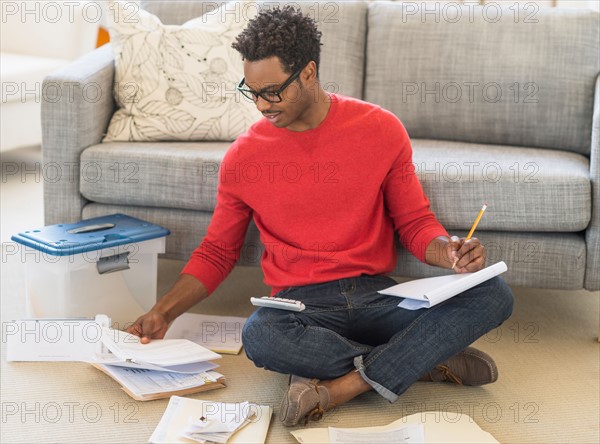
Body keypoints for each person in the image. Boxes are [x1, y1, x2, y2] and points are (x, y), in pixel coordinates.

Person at [127, 6, 514, 427]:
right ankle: (417, 360)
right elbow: (218, 251)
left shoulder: (380, 128)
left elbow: (415, 224)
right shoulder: (243, 157)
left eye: (273, 91)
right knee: (260, 336)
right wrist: (163, 312)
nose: (261, 105)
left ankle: (344, 385)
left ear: (309, 73)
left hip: (376, 297)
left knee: (492, 293)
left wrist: (451, 253)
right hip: (300, 305)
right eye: (251, 91)